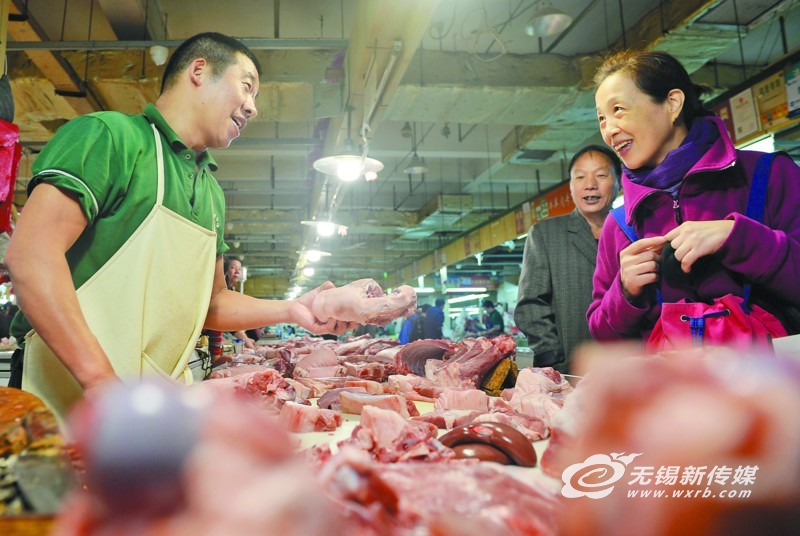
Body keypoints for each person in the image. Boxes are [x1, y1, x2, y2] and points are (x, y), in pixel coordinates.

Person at [5, 32, 357, 420]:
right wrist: (100, 381)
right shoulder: (111, 137)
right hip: (63, 399)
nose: (253, 107)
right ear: (199, 70)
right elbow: (33, 255)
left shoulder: (212, 193)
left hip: (153, 408)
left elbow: (213, 303)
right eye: (247, 86)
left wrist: (293, 308)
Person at [587, 50, 800, 342]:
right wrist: (624, 292)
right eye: (601, 118)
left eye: (618, 109)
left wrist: (738, 238)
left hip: (770, 370)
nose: (609, 130)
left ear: (673, 103)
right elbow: (602, 335)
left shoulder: (769, 174)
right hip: (673, 374)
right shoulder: (620, 224)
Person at [515, 144, 620, 372]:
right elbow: (531, 305)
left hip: (629, 366)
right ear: (571, 187)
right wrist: (553, 360)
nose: (590, 184)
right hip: (570, 370)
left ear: (619, 182)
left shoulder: (634, 231)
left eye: (601, 175)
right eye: (580, 177)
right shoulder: (546, 234)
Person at [223, 257, 256, 350]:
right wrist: (246, 340)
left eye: (239, 269)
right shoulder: (223, 291)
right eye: (233, 267)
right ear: (226, 271)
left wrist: (245, 338)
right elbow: (228, 320)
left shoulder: (235, 292)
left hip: (228, 335)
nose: (237, 271)